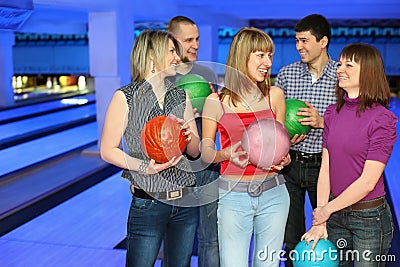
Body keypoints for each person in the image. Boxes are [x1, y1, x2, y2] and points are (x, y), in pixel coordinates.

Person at [100, 30, 200, 267]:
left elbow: (195, 152)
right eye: (172, 51)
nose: (178, 57)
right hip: (148, 203)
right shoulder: (125, 97)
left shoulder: (180, 96)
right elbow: (107, 149)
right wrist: (145, 167)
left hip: (185, 201)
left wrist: (190, 135)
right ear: (152, 55)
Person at [201, 27, 291, 267]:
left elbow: (280, 146)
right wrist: (226, 153)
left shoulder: (275, 96)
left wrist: (285, 158)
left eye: (270, 55)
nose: (268, 62)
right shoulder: (215, 102)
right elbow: (206, 153)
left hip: (274, 193)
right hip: (233, 195)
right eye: (260, 55)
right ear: (242, 56)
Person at [302, 43, 397, 266]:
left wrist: (326, 210)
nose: (339, 69)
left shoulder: (382, 119)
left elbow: (367, 182)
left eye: (349, 65)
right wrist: (320, 219)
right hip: (335, 216)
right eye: (340, 63)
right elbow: (326, 168)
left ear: (367, 71)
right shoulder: (332, 114)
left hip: (369, 219)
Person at [273, 14, 338, 265]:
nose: (299, 46)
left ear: (323, 42)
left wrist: (322, 122)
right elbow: (275, 119)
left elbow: (351, 122)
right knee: (291, 236)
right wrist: (285, 135)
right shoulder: (288, 74)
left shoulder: (340, 75)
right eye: (296, 41)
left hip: (325, 167)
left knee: (327, 230)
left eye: (304, 40)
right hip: (290, 164)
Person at [167, 15, 221, 267]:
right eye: (188, 39)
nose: (196, 45)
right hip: (176, 170)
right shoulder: (162, 78)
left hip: (207, 167)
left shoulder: (206, 73)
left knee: (211, 239)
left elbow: (221, 121)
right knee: (179, 240)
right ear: (172, 41)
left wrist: (213, 108)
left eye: (197, 39)